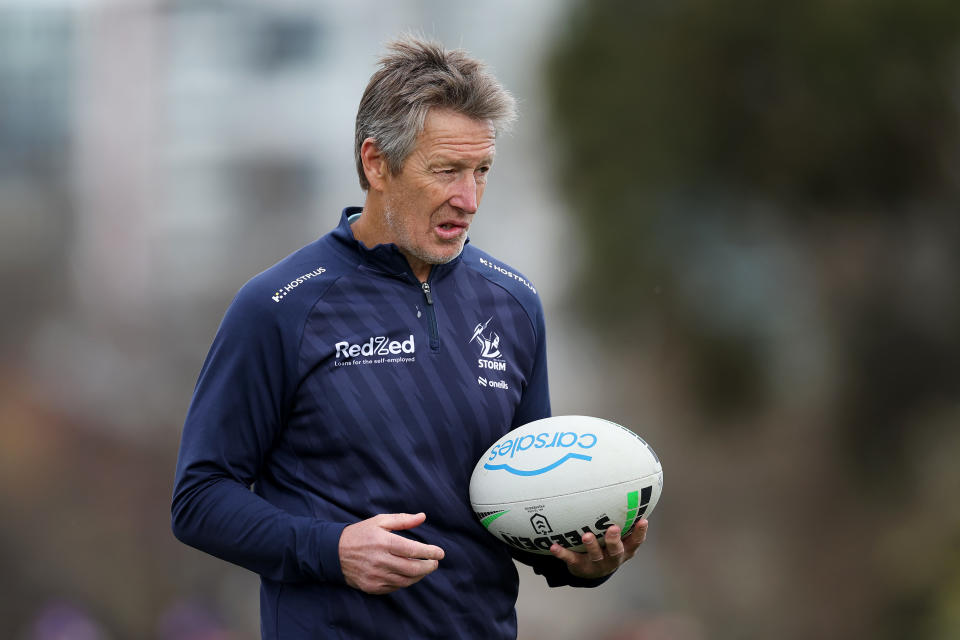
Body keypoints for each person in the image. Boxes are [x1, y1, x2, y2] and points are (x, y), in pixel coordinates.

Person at [171, 36, 648, 639]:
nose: (468, 199)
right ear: (376, 163)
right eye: (446, 171)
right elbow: (199, 499)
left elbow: (526, 511)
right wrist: (332, 549)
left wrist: (585, 563)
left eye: (481, 172)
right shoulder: (280, 307)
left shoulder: (514, 304)